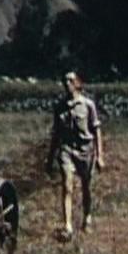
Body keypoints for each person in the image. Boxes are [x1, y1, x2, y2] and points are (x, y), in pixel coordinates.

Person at [45, 71, 104, 239]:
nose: (67, 83)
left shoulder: (88, 105)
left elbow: (96, 130)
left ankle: (87, 217)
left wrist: (100, 156)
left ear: (78, 83)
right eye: (64, 81)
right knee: (67, 186)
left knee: (86, 186)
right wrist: (50, 159)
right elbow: (56, 134)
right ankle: (67, 225)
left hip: (85, 150)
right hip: (67, 150)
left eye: (70, 80)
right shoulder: (59, 107)